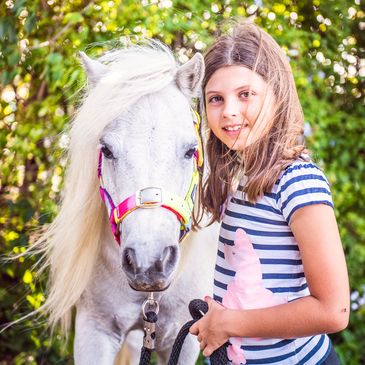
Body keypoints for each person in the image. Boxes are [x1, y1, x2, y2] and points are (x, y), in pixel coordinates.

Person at [190, 21, 349, 365]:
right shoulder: (237, 178)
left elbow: (334, 310)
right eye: (216, 99)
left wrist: (228, 322)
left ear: (276, 94)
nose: (229, 111)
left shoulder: (298, 181)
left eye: (245, 94)